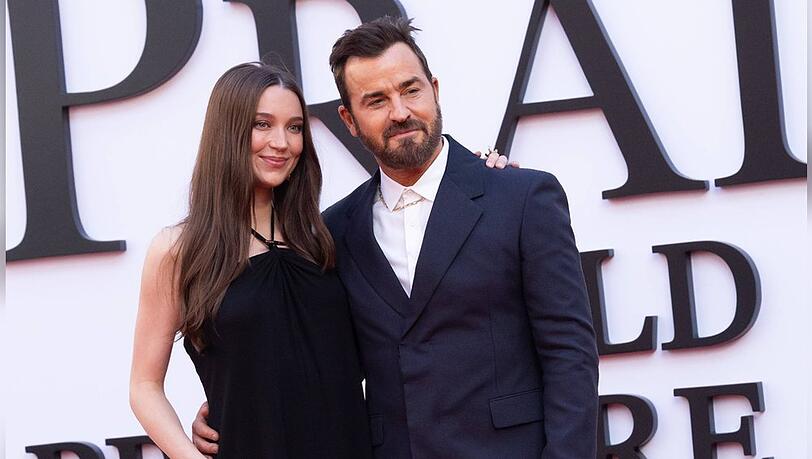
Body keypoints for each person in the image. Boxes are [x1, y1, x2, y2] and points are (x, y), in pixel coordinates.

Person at [194, 16, 599, 459]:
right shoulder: (332, 232)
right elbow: (309, 357)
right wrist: (225, 410)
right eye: (377, 100)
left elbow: (570, 354)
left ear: (435, 90)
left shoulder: (521, 198)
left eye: (410, 90)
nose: (401, 112)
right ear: (349, 120)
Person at [129, 63, 373, 458]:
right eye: (263, 124)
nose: (282, 142)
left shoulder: (323, 239)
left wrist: (486, 175)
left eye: (295, 128)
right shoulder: (179, 251)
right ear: (228, 130)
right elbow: (143, 386)